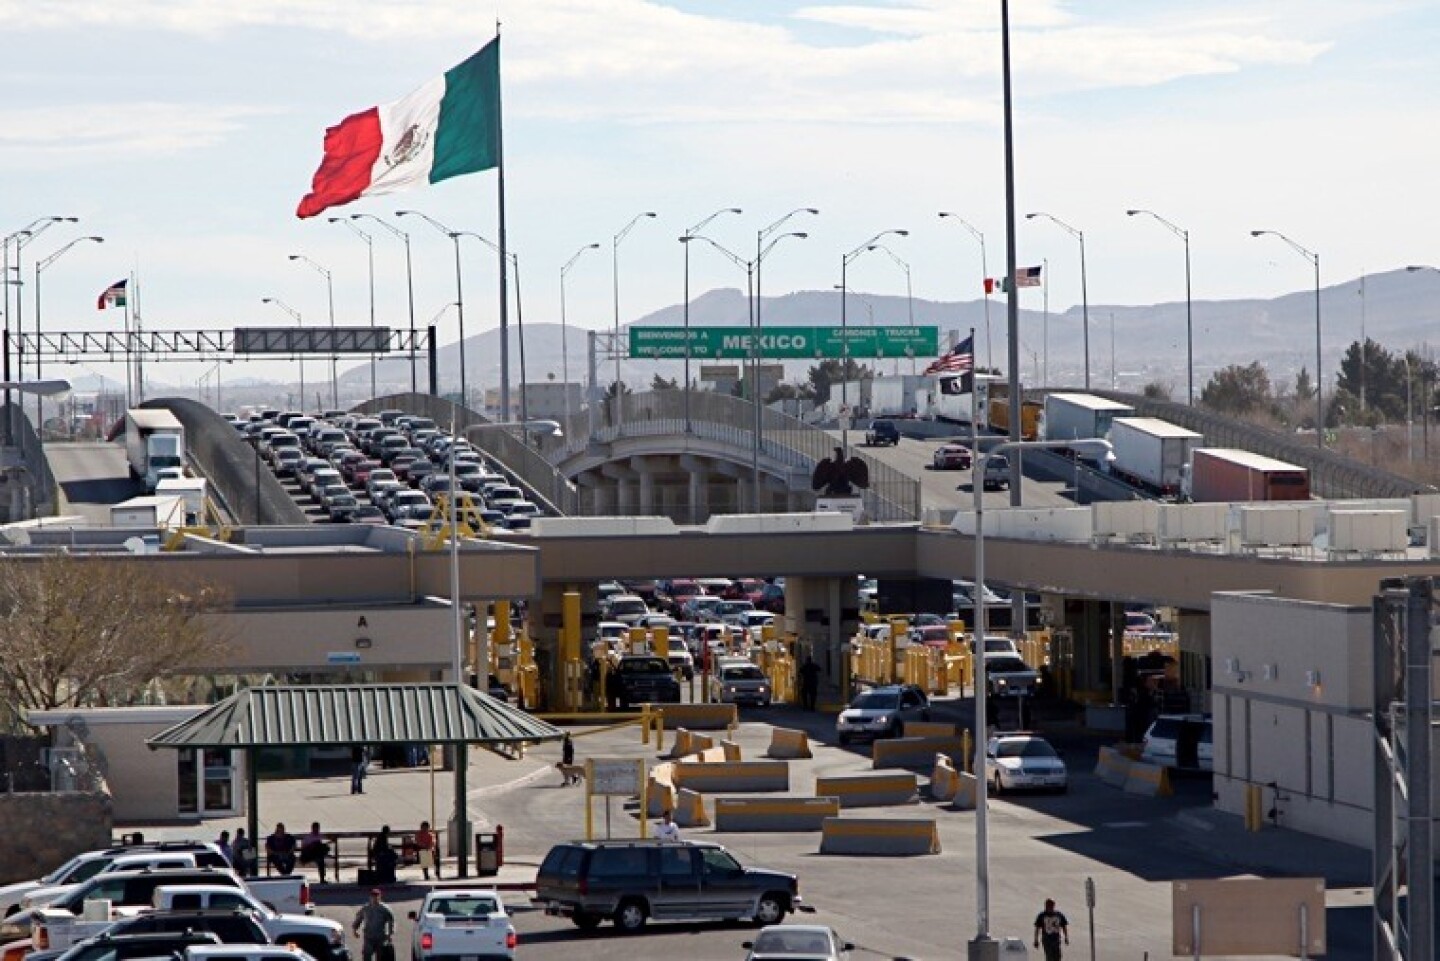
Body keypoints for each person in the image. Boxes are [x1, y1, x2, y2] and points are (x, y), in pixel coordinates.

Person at [352, 888, 395, 961]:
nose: (374, 898)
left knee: (380, 957)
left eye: (376, 896)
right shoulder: (365, 908)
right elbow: (359, 919)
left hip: (381, 937)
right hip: (368, 937)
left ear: (380, 897)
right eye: (373, 896)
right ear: (370, 897)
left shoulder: (385, 909)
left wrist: (389, 934)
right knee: (366, 955)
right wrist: (355, 930)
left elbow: (391, 921)